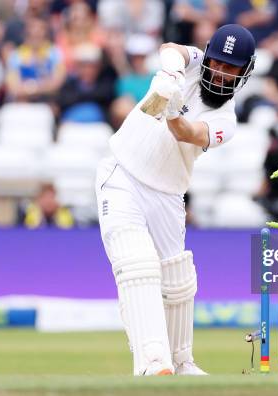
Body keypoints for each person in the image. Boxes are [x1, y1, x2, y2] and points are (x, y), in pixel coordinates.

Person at [95, 24, 256, 376]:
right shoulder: (195, 63)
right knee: (138, 265)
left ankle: (181, 363)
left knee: (178, 280)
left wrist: (172, 108)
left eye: (232, 69)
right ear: (209, 55)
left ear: (245, 73)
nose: (221, 73)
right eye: (218, 63)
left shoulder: (226, 120)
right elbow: (172, 48)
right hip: (123, 173)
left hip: (168, 192)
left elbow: (187, 132)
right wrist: (169, 76)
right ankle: (153, 363)